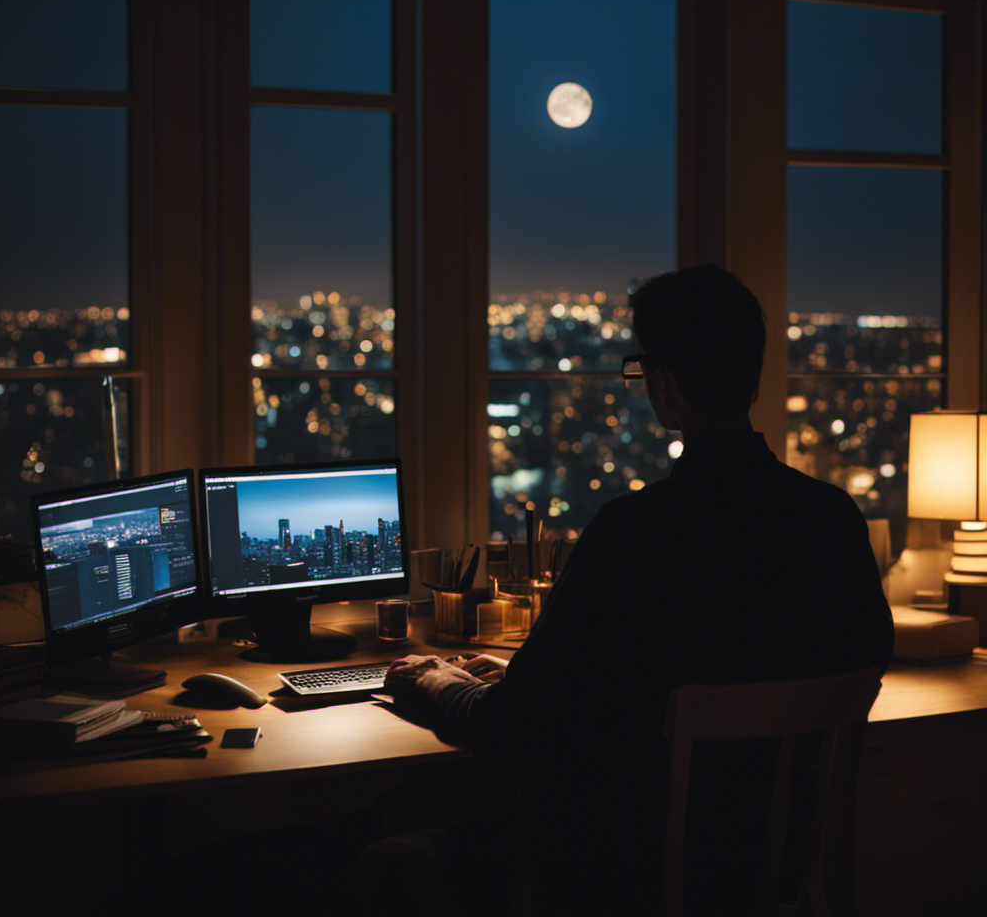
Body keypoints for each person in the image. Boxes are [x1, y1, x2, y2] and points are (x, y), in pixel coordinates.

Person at [375, 264, 894, 915]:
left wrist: (431, 680)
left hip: (617, 879)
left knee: (385, 851)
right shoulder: (833, 521)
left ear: (667, 383)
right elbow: (857, 663)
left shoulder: (636, 531)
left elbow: (506, 725)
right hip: (768, 878)